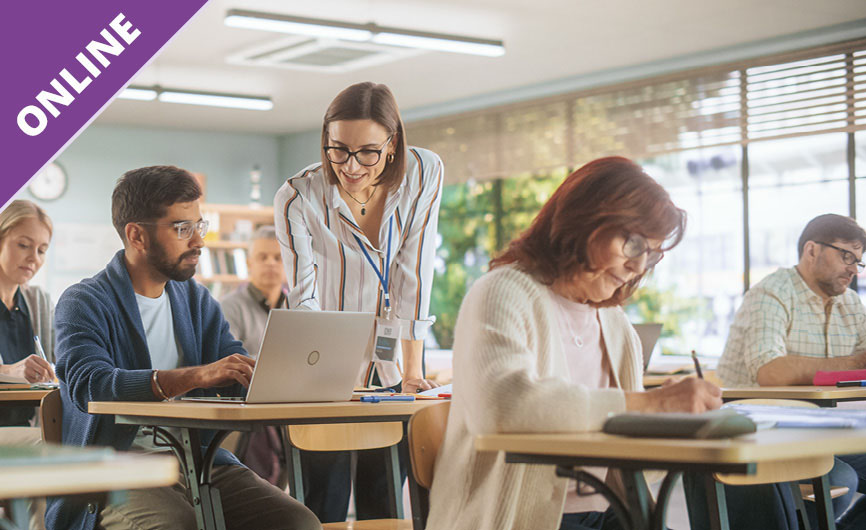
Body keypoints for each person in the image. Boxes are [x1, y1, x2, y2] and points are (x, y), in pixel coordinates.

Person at [424, 157, 723, 530]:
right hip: (516, 520)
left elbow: (630, 461)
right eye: (633, 244)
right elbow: (504, 407)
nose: (639, 267)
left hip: (613, 514)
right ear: (584, 222)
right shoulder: (501, 292)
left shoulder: (617, 326)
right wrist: (650, 404)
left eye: (652, 253)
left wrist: (672, 419)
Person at [46, 166, 320, 530]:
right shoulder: (83, 302)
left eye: (198, 226)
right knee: (177, 525)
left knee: (296, 522)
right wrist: (195, 376)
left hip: (199, 462)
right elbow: (90, 386)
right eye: (182, 228)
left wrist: (291, 377)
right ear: (136, 235)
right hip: (116, 469)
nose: (198, 241)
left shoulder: (194, 299)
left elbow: (232, 369)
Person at [274, 81, 442, 521]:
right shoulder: (298, 197)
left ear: (393, 143)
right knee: (320, 511)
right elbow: (304, 298)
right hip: (324, 380)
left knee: (384, 508)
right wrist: (326, 376)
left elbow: (414, 275)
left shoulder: (424, 173)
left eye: (367, 151)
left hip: (390, 374)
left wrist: (412, 373)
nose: (351, 166)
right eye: (338, 149)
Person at [706, 213, 866, 529]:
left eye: (858, 261)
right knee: (842, 475)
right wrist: (854, 362)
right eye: (846, 255)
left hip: (817, 428)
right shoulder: (772, 292)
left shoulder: (851, 304)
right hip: (758, 430)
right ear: (811, 250)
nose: (853, 268)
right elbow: (771, 372)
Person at [0, 199, 56, 530]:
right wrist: (12, 371)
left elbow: (53, 367)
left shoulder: (37, 302)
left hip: (25, 428)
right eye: (23, 245)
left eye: (42, 249)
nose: (33, 258)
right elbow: (17, 371)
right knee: (51, 448)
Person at [221, 225, 287, 486]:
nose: (271, 264)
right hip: (250, 411)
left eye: (278, 257)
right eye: (263, 257)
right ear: (249, 263)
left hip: (292, 406)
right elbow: (229, 364)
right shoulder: (229, 307)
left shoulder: (298, 305)